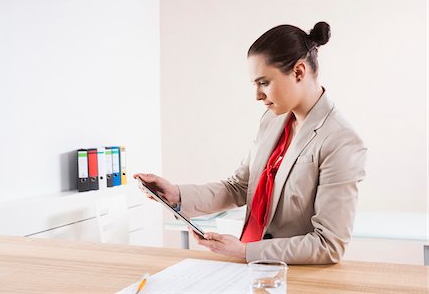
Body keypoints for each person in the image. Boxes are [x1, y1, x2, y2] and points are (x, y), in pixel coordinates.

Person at [134, 21, 367, 265]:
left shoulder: (341, 140)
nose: (257, 95)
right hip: (247, 268)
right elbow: (240, 186)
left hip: (287, 275)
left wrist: (246, 251)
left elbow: (328, 244)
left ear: (299, 72)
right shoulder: (272, 120)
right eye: (254, 84)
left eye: (264, 83)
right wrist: (177, 194)